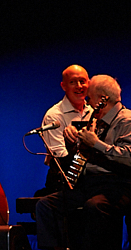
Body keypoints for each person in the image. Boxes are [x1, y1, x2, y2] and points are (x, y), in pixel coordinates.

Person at [34, 74, 131, 250]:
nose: (88, 101)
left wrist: (96, 143)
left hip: (120, 186)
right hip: (92, 185)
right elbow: (82, 157)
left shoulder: (126, 119)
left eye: (90, 97)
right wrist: (71, 143)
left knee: (94, 206)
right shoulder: (97, 121)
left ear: (103, 99)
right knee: (46, 205)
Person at [37, 65, 93, 194]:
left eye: (82, 81)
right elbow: (60, 157)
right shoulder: (54, 115)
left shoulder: (94, 111)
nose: (79, 86)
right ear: (63, 86)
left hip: (90, 178)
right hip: (62, 181)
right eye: (73, 82)